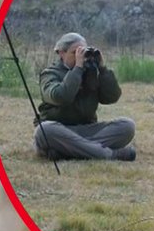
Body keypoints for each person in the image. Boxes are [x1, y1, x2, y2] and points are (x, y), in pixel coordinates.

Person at [33, 32, 136, 161]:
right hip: (60, 129)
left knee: (127, 126)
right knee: (44, 131)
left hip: (87, 129)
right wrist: (77, 69)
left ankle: (67, 151)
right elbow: (61, 96)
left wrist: (102, 68)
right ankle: (110, 155)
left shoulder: (91, 72)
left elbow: (112, 97)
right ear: (61, 53)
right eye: (75, 52)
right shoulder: (49, 74)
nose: (80, 57)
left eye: (83, 52)